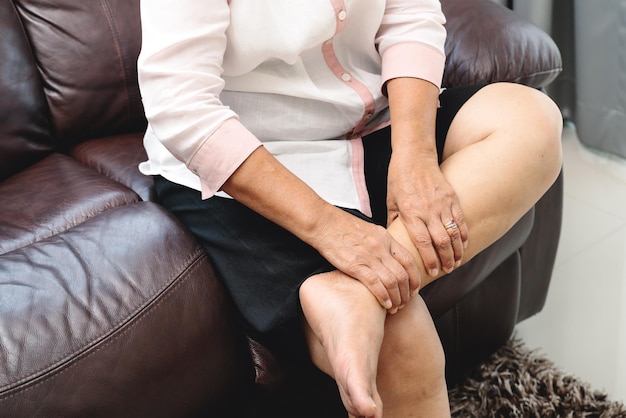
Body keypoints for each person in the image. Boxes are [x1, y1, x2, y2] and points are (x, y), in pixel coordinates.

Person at [137, 1, 563, 416]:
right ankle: (367, 292)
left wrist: (414, 157)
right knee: (399, 336)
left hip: (372, 125)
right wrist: (329, 228)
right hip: (245, 166)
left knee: (531, 120)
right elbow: (180, 105)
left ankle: (356, 295)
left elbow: (409, 13)